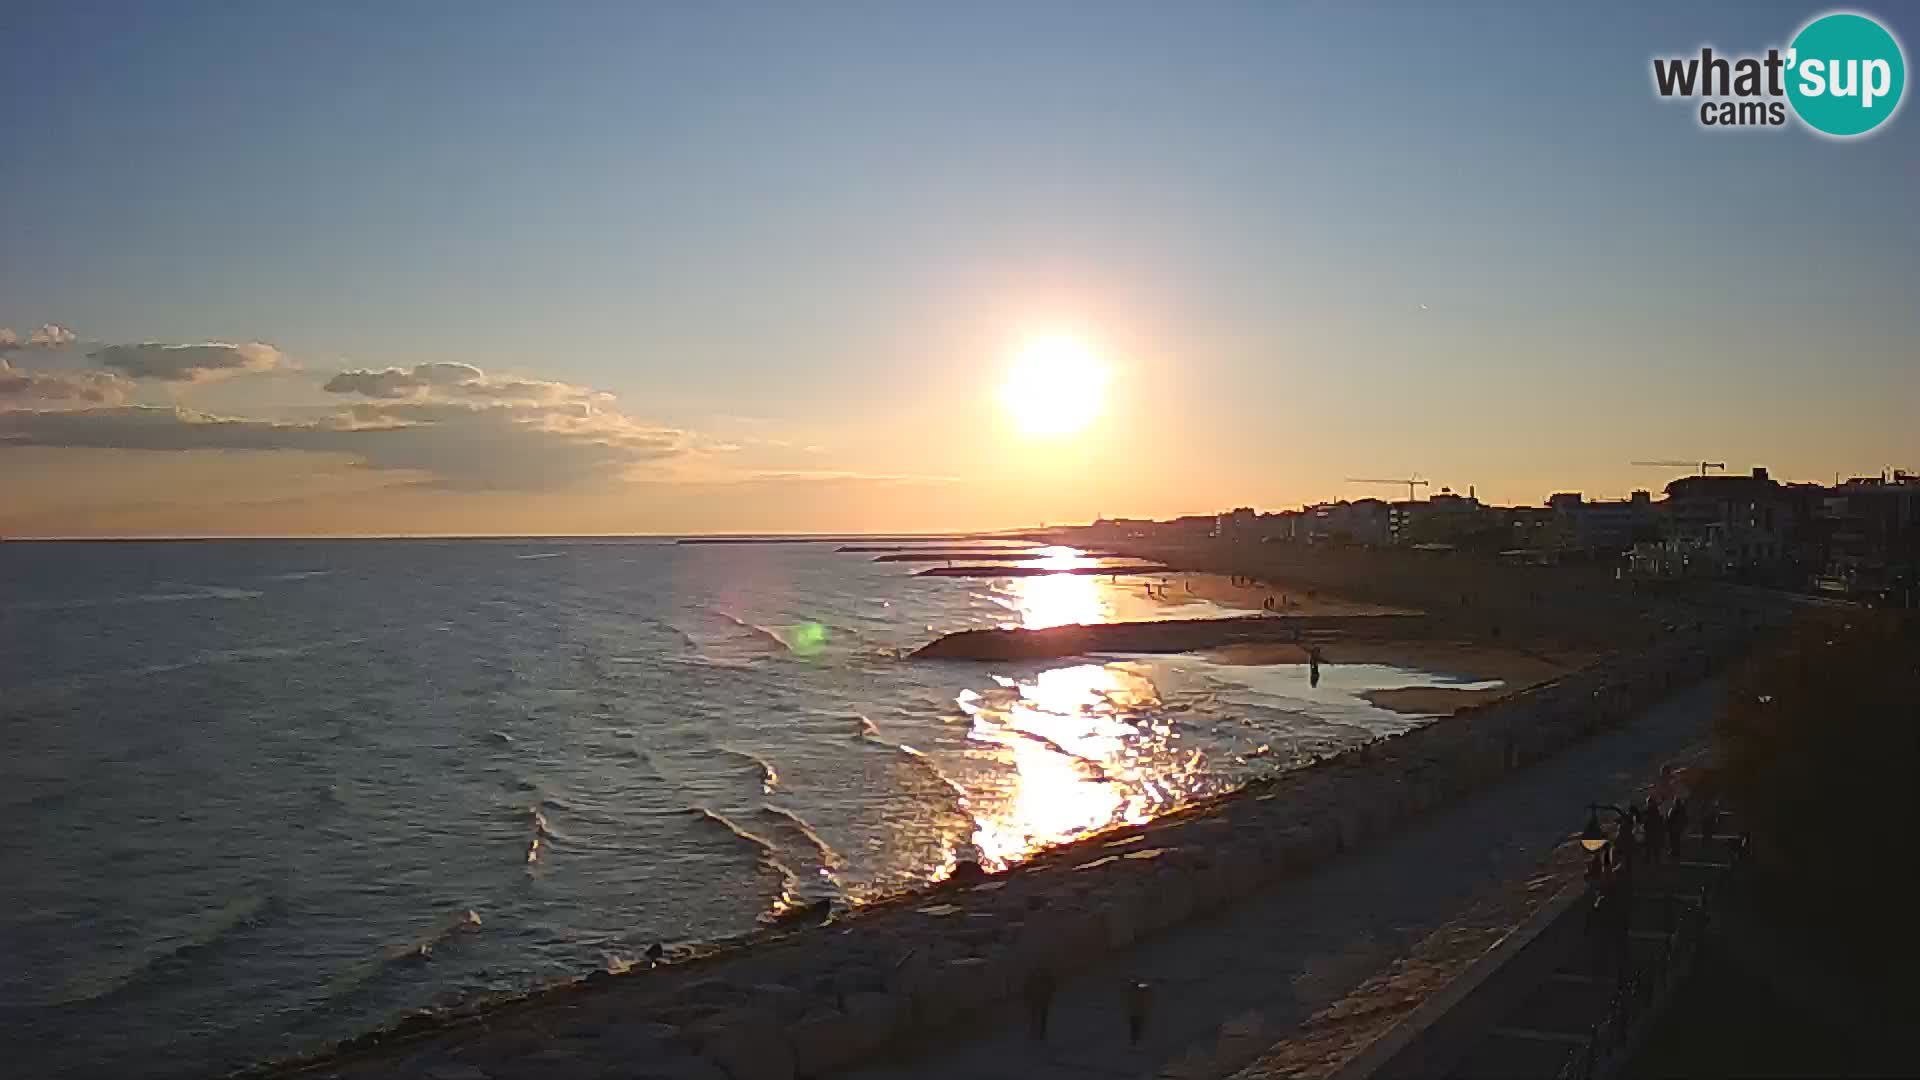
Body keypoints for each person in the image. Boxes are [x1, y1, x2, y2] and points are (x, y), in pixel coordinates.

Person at [1025, 969, 1056, 1041]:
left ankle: (1038, 1031)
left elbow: (1051, 986)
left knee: (1040, 1016)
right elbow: (1027, 987)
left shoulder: (1037, 977)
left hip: (1041, 999)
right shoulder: (1044, 977)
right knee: (1038, 1015)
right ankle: (1037, 1031)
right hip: (1038, 999)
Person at [1126, 980, 1153, 1046]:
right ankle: (1135, 1041)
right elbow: (1147, 986)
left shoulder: (1132, 992)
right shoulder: (1138, 992)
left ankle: (1135, 1041)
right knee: (1136, 1028)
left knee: (1135, 1028)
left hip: (1135, 1013)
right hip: (1137, 1013)